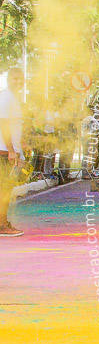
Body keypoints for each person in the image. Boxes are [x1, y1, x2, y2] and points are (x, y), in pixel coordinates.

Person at [0, 69, 26, 236]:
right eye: (15, 79)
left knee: (6, 190)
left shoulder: (14, 98)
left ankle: (3, 222)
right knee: (4, 190)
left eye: (20, 79)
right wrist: (10, 150)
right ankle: (2, 225)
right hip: (3, 151)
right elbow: (3, 124)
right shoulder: (6, 97)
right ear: (9, 79)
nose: (18, 82)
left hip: (9, 150)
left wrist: (21, 147)